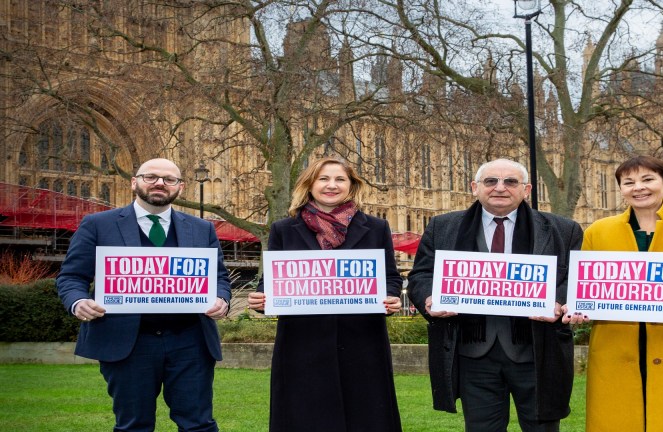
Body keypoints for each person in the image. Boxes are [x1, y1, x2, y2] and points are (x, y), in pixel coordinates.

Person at [407, 158, 583, 432]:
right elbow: (420, 275)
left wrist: (559, 301)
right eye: (491, 181)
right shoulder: (443, 227)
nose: (500, 188)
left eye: (510, 181)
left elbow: (573, 278)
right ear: (475, 187)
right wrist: (430, 298)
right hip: (473, 354)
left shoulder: (563, 229)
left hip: (537, 352)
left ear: (526, 190)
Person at [57, 158, 231, 432]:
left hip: (190, 341)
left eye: (169, 179)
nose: (160, 183)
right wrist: (78, 302)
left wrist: (222, 300)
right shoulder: (98, 224)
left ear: (180, 187)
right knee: (133, 425)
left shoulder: (202, 228)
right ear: (134, 182)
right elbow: (71, 277)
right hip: (127, 341)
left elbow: (219, 278)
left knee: (199, 424)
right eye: (150, 176)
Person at [562, 155, 663, 431]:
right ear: (621, 189)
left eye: (648, 179)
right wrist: (577, 306)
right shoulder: (598, 230)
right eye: (629, 182)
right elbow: (585, 285)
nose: (639, 187)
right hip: (616, 345)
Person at [247, 157, 403, 432]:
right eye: (323, 179)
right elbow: (272, 280)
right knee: (305, 416)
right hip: (303, 341)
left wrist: (391, 296)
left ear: (351, 185)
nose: (332, 185)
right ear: (310, 184)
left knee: (365, 415)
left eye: (340, 179)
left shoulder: (376, 228)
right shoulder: (283, 229)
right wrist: (261, 299)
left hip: (362, 341)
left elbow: (390, 276)